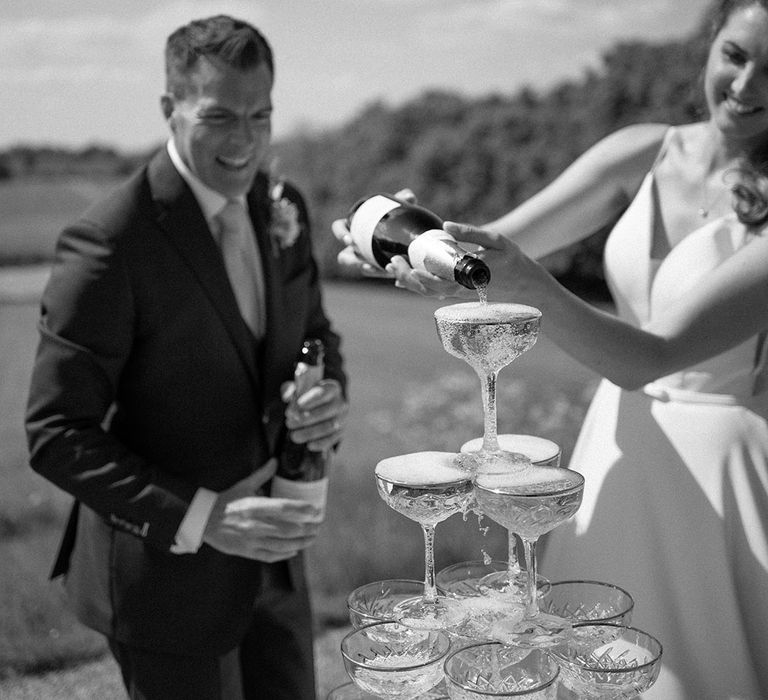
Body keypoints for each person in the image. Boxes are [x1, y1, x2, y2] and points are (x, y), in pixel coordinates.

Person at [334, 1, 768, 697]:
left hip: (722, 470)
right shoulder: (645, 150)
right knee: (588, 660)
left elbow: (650, 356)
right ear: (711, 42)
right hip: (618, 451)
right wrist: (403, 246)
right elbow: (489, 242)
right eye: (737, 55)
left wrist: (529, 283)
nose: (747, 85)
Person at [26, 15, 347, 700]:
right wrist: (205, 518)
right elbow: (57, 435)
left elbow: (317, 334)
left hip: (278, 561)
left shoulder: (283, 206)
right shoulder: (110, 242)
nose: (246, 141)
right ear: (170, 109)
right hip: (164, 580)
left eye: (261, 116)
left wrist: (327, 399)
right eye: (220, 117)